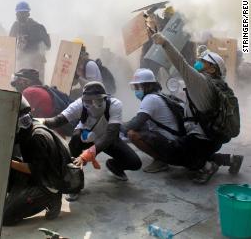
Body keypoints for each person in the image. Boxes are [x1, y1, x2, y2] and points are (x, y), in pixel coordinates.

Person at [151, 33, 244, 183]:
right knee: (194, 152)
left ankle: (208, 167)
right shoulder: (218, 85)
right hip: (214, 137)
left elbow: (181, 64)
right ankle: (230, 159)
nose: (198, 62)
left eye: (203, 61)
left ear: (212, 69)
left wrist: (164, 43)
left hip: (201, 139)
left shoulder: (201, 81)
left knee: (170, 152)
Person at [42, 82, 142, 201]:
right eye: (88, 101)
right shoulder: (79, 104)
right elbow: (58, 120)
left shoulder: (115, 105)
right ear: (83, 99)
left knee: (135, 163)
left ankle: (114, 165)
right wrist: (41, 121)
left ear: (105, 98)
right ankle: (74, 186)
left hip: (107, 138)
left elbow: (111, 134)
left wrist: (87, 155)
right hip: (86, 136)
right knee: (74, 142)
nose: (92, 105)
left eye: (97, 101)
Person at [3, 97, 64, 226]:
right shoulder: (26, 129)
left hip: (46, 184)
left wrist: (7, 162)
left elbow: (34, 169)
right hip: (36, 176)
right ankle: (19, 197)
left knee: (5, 217)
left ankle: (51, 199)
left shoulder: (37, 137)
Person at [122, 68, 184, 173]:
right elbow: (139, 119)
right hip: (175, 138)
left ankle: (161, 161)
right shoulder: (158, 95)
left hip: (172, 144)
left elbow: (136, 123)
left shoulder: (150, 99)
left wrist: (117, 127)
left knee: (132, 134)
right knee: (138, 128)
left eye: (138, 87)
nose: (136, 90)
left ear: (147, 86)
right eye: (135, 87)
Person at [11, 68, 74, 136]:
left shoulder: (29, 92)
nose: (17, 86)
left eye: (18, 81)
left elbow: (17, 119)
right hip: (59, 133)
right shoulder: (43, 90)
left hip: (50, 134)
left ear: (27, 81)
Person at [9, 1, 51, 83]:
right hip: (21, 61)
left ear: (28, 14)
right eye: (19, 13)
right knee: (21, 84)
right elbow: (9, 43)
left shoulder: (38, 27)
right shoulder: (15, 26)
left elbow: (48, 45)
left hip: (36, 62)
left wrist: (38, 50)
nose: (20, 16)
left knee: (37, 85)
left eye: (23, 13)